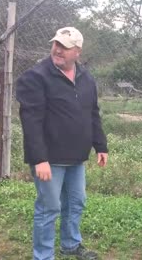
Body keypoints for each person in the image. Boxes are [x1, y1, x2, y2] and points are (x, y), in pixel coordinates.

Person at [16, 27, 108, 260]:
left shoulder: (85, 77)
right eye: (56, 44)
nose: (57, 49)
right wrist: (39, 159)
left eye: (64, 47)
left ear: (77, 51)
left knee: (76, 202)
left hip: (76, 157)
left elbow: (92, 114)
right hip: (49, 159)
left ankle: (70, 245)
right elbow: (31, 122)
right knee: (49, 208)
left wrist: (101, 145)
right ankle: (43, 256)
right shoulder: (36, 77)